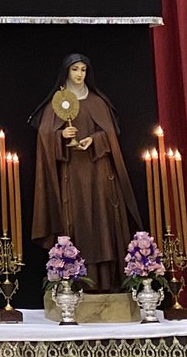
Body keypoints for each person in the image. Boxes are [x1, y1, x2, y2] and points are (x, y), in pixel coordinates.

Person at [30, 53, 141, 292]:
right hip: (72, 175)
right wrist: (60, 136)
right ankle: (74, 282)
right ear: (66, 73)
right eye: (75, 69)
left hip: (99, 174)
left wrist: (94, 140)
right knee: (77, 223)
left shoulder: (97, 103)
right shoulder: (57, 103)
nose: (80, 74)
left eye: (83, 70)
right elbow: (44, 136)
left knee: (103, 223)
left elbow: (110, 135)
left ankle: (107, 282)